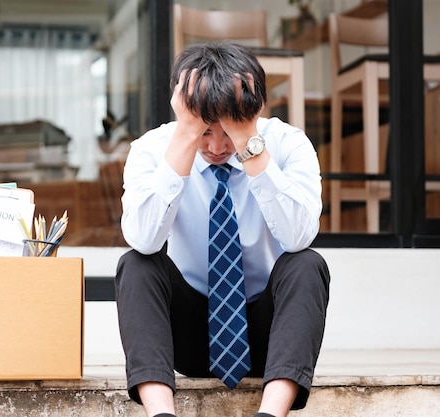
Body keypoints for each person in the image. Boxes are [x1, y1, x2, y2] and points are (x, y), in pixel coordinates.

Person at [114, 42, 330, 417]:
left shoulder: (287, 144)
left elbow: (298, 236)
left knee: (307, 264)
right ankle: (160, 414)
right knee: (136, 264)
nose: (216, 146)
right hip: (188, 334)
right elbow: (144, 239)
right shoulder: (152, 149)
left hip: (267, 335)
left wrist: (249, 145)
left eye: (227, 130)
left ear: (254, 111)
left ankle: (270, 413)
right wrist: (184, 139)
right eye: (204, 131)